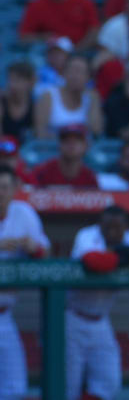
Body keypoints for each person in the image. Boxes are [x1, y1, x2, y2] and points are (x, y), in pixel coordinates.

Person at [67, 205, 129, 400]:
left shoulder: (128, 238)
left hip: (101, 321)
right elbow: (95, 261)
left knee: (108, 384)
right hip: (71, 318)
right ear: (100, 226)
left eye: (117, 228)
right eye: (107, 227)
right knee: (67, 387)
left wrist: (126, 253)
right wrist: (126, 257)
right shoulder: (88, 235)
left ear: (125, 227)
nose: (112, 231)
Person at [0, 164, 50, 400]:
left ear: (14, 189)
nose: (0, 192)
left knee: (15, 388)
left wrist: (34, 249)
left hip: (4, 315)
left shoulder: (23, 213)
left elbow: (45, 254)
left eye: (4, 187)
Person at [34, 55, 103, 139]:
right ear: (64, 73)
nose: (75, 76)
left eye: (80, 71)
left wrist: (93, 101)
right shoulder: (48, 96)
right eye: (72, 70)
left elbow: (96, 131)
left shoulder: (92, 97)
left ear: (88, 77)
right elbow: (40, 133)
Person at [19, 0, 99, 50]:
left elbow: (94, 32)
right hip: (48, 54)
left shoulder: (84, 3)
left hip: (81, 52)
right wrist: (42, 37)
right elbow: (24, 38)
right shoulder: (35, 6)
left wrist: (77, 50)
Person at [33, 125, 98, 188]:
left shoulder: (89, 177)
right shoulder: (43, 172)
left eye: (78, 139)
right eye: (66, 139)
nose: (71, 143)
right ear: (59, 144)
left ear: (86, 146)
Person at [0, 62, 36, 143]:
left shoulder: (36, 105)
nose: (12, 85)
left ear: (30, 82)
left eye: (17, 80)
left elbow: (40, 137)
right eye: (10, 80)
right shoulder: (1, 102)